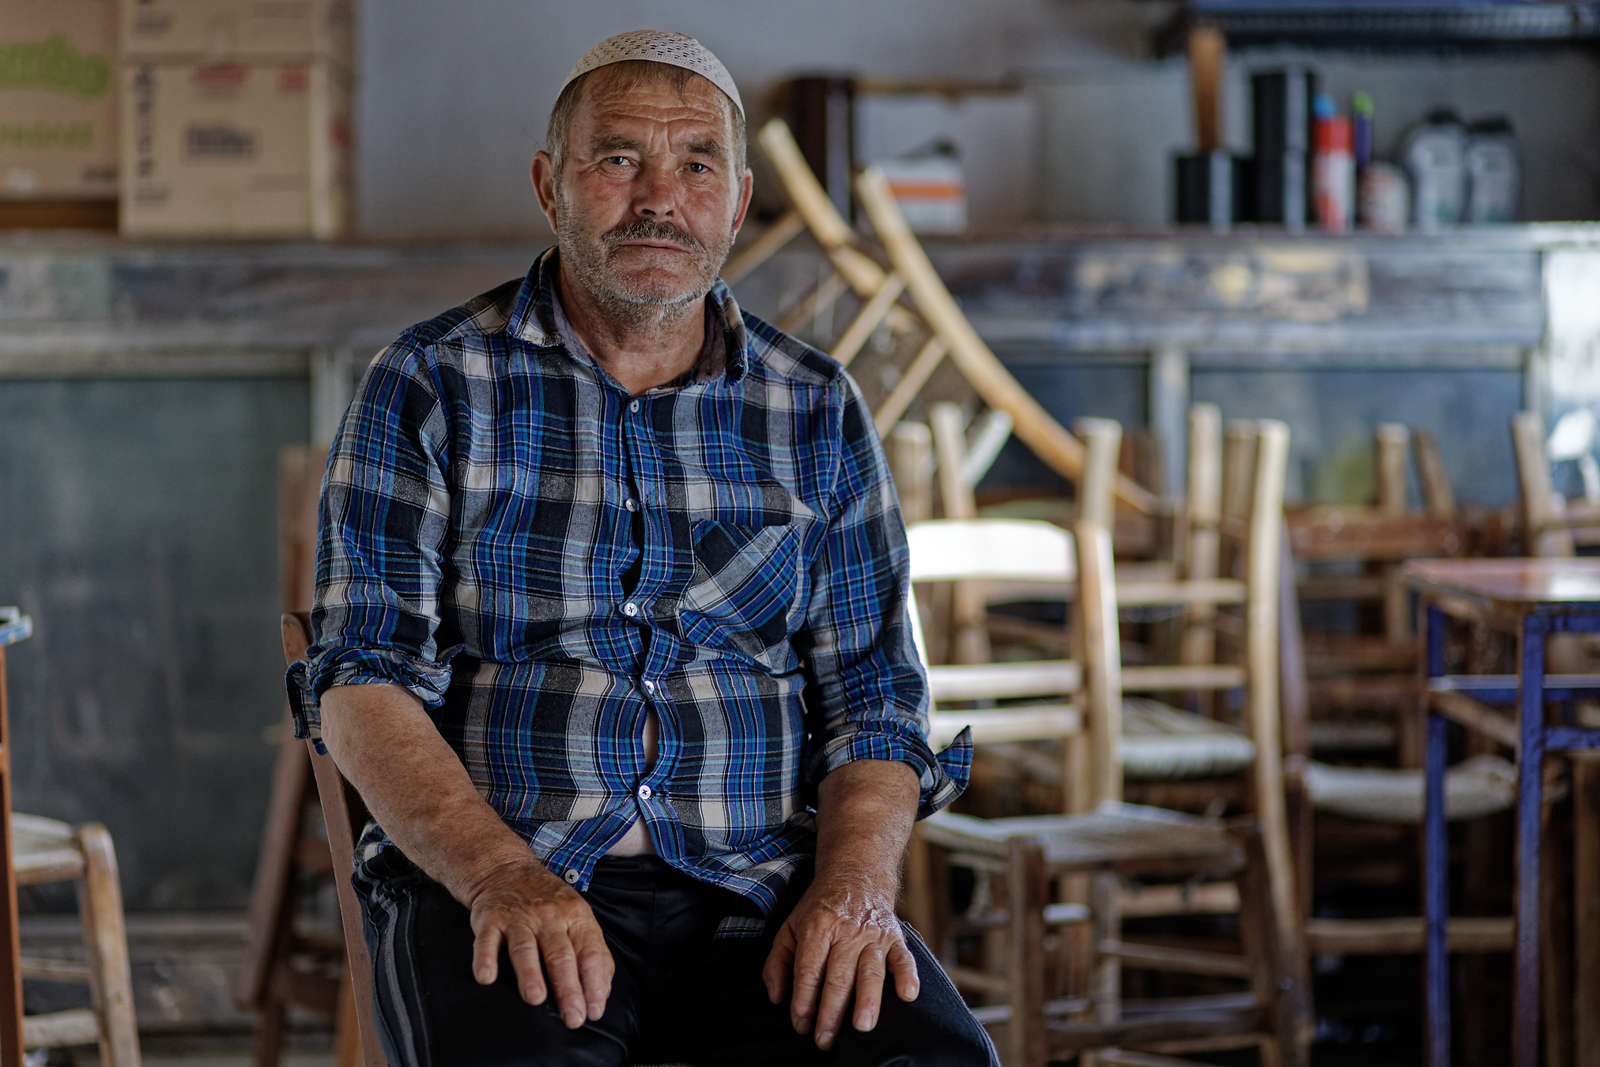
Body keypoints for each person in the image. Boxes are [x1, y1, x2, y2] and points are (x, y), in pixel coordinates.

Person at [289, 29, 993, 1067]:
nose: (659, 196)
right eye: (618, 159)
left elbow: (878, 696)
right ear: (550, 186)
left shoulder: (813, 407)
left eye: (695, 165)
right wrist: (496, 873)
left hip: (758, 884)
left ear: (737, 202)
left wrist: (852, 888)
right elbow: (361, 679)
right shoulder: (431, 382)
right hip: (508, 874)